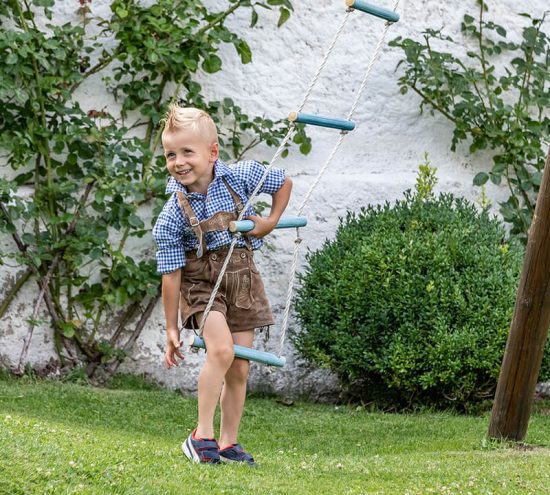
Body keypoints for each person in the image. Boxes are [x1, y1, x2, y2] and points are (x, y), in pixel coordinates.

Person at [153, 104, 293, 466]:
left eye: (187, 152)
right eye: (171, 154)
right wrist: (172, 326)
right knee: (221, 351)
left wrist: (270, 222)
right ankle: (201, 436)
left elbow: (283, 183)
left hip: (242, 281)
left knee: (240, 367)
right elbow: (171, 274)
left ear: (212, 152)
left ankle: (229, 444)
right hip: (203, 289)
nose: (178, 161)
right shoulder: (172, 213)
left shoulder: (240, 176)